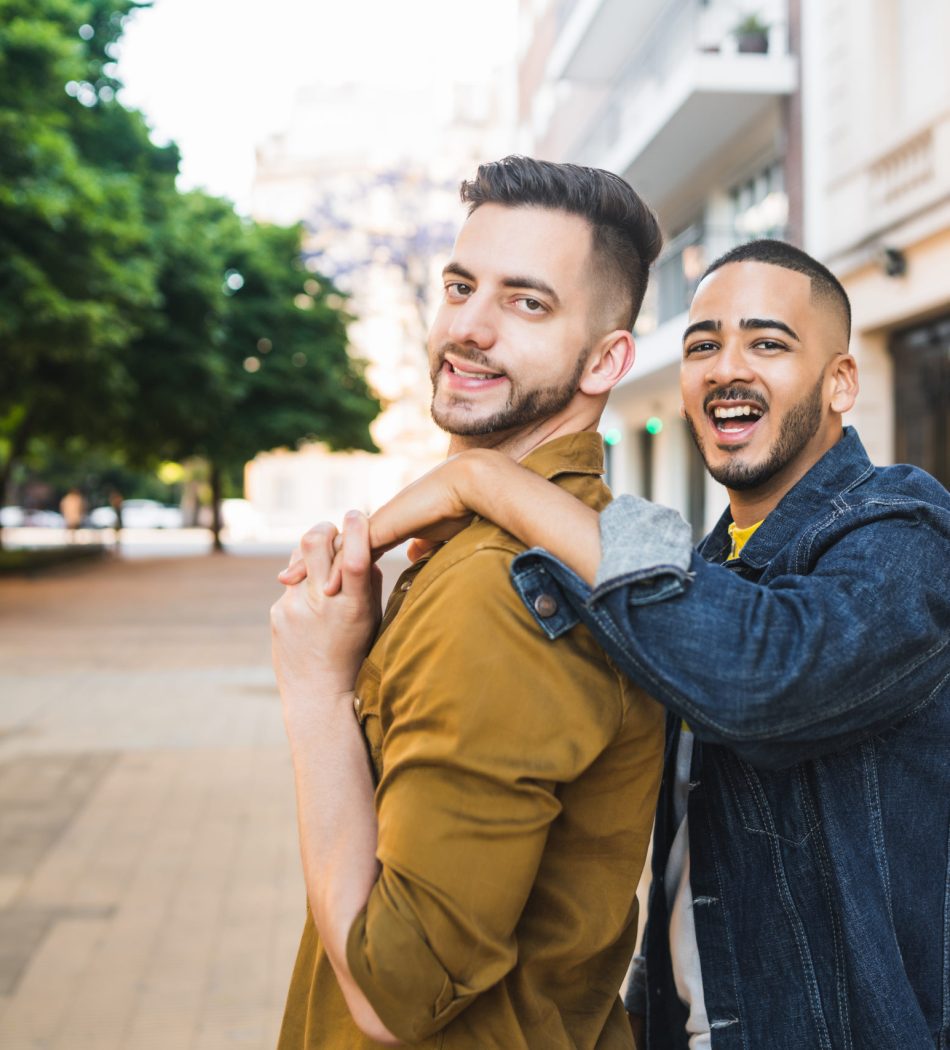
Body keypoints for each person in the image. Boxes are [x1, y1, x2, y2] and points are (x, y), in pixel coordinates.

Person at [363, 239, 950, 1049]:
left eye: (767, 343)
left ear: (840, 381)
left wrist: (489, 481)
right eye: (702, 344)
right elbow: (684, 858)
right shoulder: (699, 573)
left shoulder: (905, 531)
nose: (724, 368)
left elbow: (763, 676)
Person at [270, 156, 667, 1049]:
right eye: (461, 285)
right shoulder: (584, 539)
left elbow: (391, 994)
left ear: (606, 358)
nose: (469, 328)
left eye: (528, 303)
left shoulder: (506, 585)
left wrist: (313, 690)